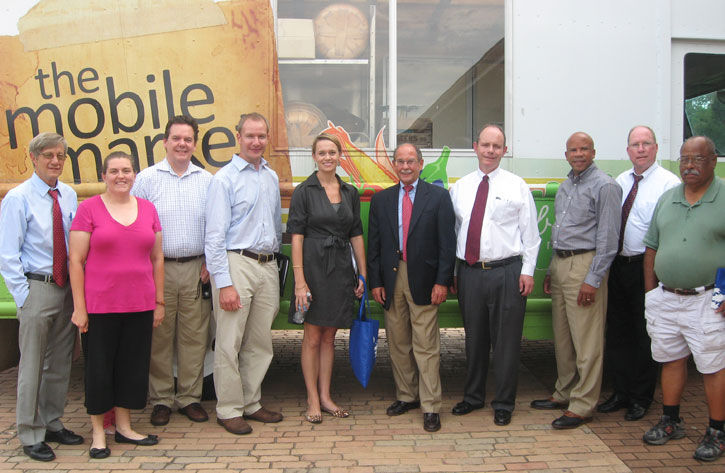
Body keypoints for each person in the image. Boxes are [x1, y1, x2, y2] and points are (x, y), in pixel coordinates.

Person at [69, 151, 164, 459]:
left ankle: (124, 427)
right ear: (104, 175)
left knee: (132, 368)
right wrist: (79, 307)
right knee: (99, 370)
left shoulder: (148, 209)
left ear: (134, 174)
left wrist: (158, 301)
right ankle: (99, 433)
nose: (120, 175)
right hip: (99, 307)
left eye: (126, 170)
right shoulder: (89, 209)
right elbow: (76, 260)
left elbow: (157, 258)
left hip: (139, 305)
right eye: (114, 171)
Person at [449, 125, 541, 426]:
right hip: (470, 273)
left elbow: (532, 236)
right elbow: (453, 234)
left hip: (507, 273)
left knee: (506, 342)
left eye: (497, 146)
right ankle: (473, 397)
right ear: (475, 147)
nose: (490, 150)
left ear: (504, 150)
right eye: (485, 145)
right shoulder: (460, 188)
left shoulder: (517, 186)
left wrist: (527, 271)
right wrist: (453, 272)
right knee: (474, 339)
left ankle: (503, 402)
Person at [641, 136, 725, 462]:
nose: (690, 165)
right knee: (670, 359)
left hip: (709, 298)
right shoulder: (668, 199)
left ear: (713, 161)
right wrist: (650, 293)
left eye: (698, 159)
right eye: (684, 158)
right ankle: (671, 420)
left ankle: (717, 430)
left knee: (713, 366)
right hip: (666, 297)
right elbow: (651, 247)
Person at [0, 132, 82, 461]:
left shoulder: (69, 195)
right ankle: (29, 432)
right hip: (37, 287)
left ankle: (51, 422)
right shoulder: (18, 198)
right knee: (32, 364)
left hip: (65, 290)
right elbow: (7, 254)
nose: (55, 161)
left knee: (60, 362)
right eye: (48, 155)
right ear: (33, 158)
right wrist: (24, 297)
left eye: (60, 155)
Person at [531, 132, 622, 429]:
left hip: (585, 264)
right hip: (561, 264)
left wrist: (593, 279)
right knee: (563, 337)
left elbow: (609, 239)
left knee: (587, 339)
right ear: (566, 154)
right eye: (573, 149)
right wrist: (551, 272)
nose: (579, 154)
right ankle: (565, 392)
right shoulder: (567, 185)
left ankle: (583, 405)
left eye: (584, 149)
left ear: (593, 152)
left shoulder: (605, 185)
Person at [367, 143, 455, 432]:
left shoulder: (439, 198)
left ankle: (431, 406)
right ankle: (407, 396)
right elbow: (375, 246)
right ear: (394, 165)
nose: (405, 167)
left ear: (420, 163)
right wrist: (376, 282)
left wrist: (443, 280)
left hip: (426, 280)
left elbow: (447, 244)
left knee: (426, 345)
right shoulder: (382, 201)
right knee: (398, 342)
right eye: (400, 162)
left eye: (410, 161)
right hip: (392, 279)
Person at [205, 112, 283, 435]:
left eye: (261, 136)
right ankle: (228, 409)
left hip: (267, 265)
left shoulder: (271, 177)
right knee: (229, 341)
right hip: (236, 262)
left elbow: (276, 224)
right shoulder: (223, 179)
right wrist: (224, 283)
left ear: (267, 138)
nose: (256, 142)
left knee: (260, 341)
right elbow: (214, 237)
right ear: (238, 137)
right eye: (250, 136)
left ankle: (251, 403)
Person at [132, 115, 213, 426]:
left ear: (194, 144)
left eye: (188, 139)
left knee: (195, 337)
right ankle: (162, 399)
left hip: (196, 269)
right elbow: (135, 225)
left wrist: (209, 260)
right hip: (158, 270)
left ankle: (190, 398)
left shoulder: (206, 180)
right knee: (160, 337)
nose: (182, 144)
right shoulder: (147, 179)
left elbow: (215, 226)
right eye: (176, 138)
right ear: (164, 142)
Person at [598, 126, 679, 421]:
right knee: (617, 332)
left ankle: (641, 397)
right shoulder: (620, 182)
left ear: (656, 148)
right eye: (635, 144)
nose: (641, 149)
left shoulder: (670, 185)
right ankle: (619, 392)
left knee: (645, 333)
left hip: (647, 270)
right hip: (617, 266)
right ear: (628, 150)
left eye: (646, 144)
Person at [288, 133, 366, 424]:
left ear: (339, 155)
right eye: (321, 153)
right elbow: (296, 237)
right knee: (312, 337)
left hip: (341, 270)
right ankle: (311, 398)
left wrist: (363, 274)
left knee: (330, 337)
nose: (327, 157)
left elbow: (356, 234)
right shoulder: (304, 191)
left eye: (332, 152)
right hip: (312, 268)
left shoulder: (349, 192)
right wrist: (300, 282)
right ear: (314, 157)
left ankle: (325, 395)